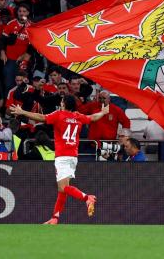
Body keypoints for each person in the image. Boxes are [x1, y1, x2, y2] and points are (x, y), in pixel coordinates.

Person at [11, 95, 109, 224]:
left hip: (62, 156)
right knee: (62, 189)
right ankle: (55, 218)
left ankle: (87, 198)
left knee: (64, 187)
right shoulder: (78, 116)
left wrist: (23, 112)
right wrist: (103, 112)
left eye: (61, 101)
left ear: (63, 104)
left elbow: (42, 117)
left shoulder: (59, 115)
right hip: (73, 156)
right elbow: (93, 118)